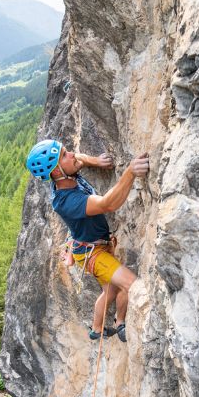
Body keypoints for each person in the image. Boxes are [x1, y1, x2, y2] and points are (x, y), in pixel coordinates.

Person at [26, 139, 149, 342]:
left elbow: (80, 158)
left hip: (91, 248)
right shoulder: (66, 201)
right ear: (56, 171)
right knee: (132, 285)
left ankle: (98, 329)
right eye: (65, 155)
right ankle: (121, 323)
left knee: (110, 291)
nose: (72, 154)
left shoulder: (68, 173)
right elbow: (108, 204)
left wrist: (97, 161)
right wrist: (130, 172)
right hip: (93, 255)